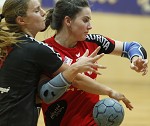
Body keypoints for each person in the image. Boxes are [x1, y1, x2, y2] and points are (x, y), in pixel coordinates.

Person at [0, 0, 110, 126]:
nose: (43, 13)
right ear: (21, 20)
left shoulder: (8, 45)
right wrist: (110, 91)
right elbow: (75, 80)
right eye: (37, 10)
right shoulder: (36, 49)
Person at [41, 0, 148, 126]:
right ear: (68, 21)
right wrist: (109, 91)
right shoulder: (45, 50)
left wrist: (136, 58)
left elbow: (132, 46)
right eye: (85, 20)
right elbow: (77, 81)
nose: (90, 26)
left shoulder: (92, 41)